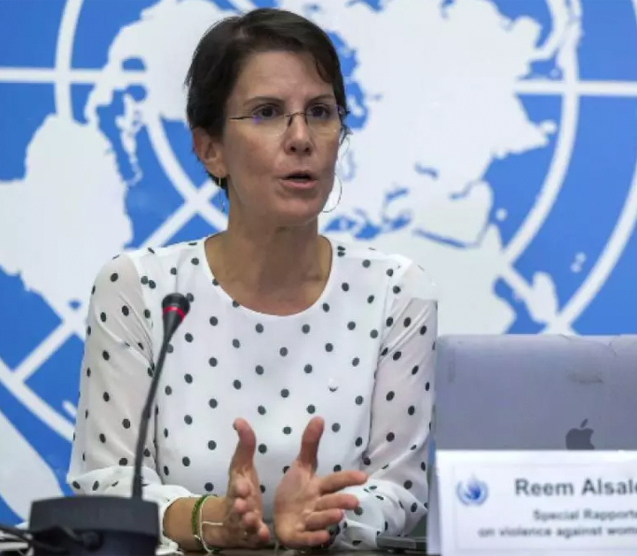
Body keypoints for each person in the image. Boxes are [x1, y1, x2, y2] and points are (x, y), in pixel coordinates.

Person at [67, 7, 438, 553]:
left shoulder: (396, 292)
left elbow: (401, 489)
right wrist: (212, 519)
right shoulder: (141, 289)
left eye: (320, 112)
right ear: (210, 149)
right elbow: (107, 483)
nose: (301, 137)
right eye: (267, 113)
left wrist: (326, 518)